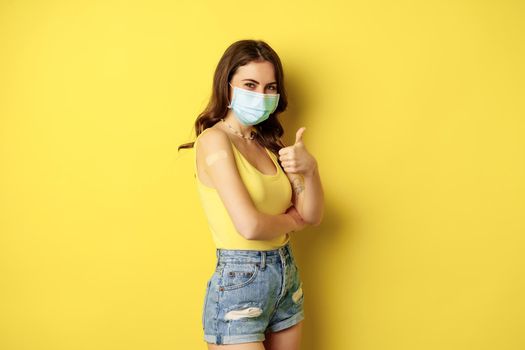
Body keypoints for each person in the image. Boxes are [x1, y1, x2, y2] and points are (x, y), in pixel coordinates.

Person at [178, 39, 324, 349]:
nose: (262, 95)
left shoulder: (267, 143)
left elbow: (312, 214)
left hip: (286, 277)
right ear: (227, 86)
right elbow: (250, 226)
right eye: (250, 84)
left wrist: (310, 170)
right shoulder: (214, 141)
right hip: (240, 281)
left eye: (270, 87)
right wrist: (292, 221)